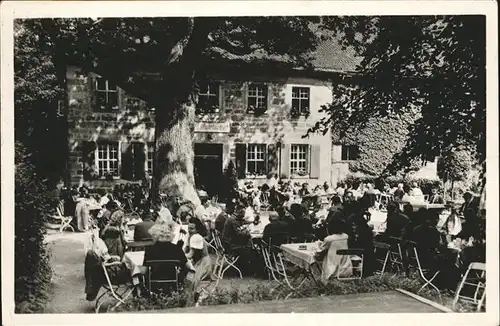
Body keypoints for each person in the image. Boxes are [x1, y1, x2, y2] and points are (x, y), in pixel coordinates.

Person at [144, 220, 196, 293]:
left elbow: (145, 269)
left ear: (154, 235)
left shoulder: (149, 249)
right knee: (188, 269)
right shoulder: (177, 249)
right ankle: (186, 292)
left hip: (154, 281)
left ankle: (143, 293)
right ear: (170, 235)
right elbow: (187, 266)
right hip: (174, 281)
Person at [314, 218, 353, 284]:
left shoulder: (329, 239)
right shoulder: (346, 236)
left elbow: (320, 250)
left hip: (333, 267)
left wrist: (318, 245)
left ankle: (322, 282)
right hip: (345, 265)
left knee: (317, 258)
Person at [184, 219, 212, 305]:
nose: (189, 230)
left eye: (192, 229)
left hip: (203, 263)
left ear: (197, 229)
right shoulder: (190, 236)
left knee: (192, 280)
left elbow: (190, 255)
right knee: (188, 278)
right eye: (188, 228)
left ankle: (195, 299)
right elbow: (186, 250)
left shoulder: (196, 237)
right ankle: (191, 299)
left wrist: (178, 255)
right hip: (197, 262)